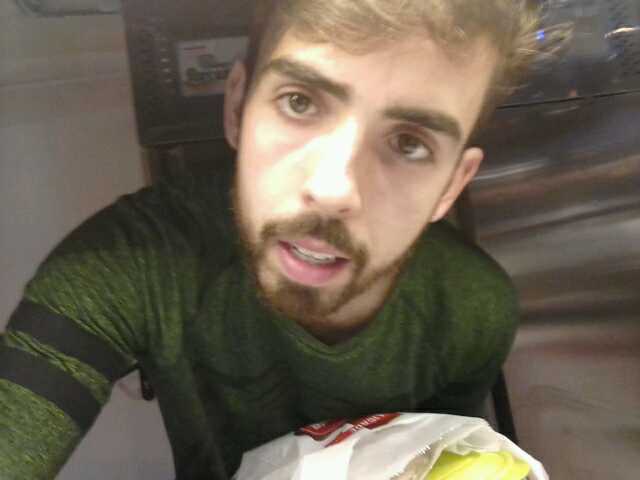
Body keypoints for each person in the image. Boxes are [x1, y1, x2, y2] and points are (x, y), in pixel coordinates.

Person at [0, 1, 547, 478]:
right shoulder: (128, 264)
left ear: (452, 184)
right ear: (238, 107)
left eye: (409, 143)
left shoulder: (472, 309)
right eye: (300, 102)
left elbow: (436, 457)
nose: (333, 190)